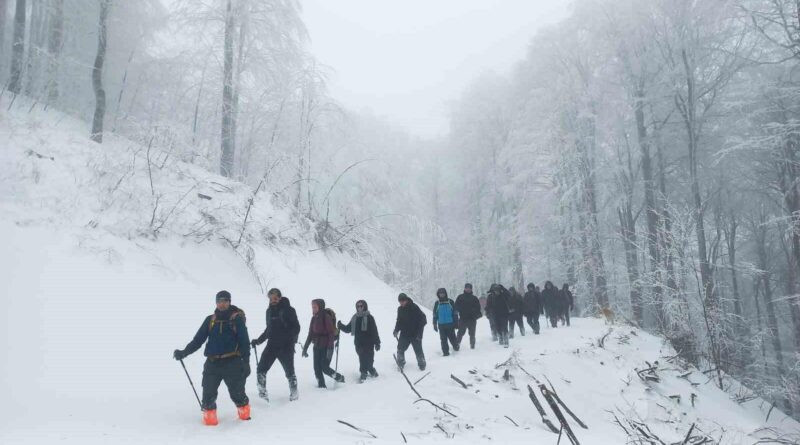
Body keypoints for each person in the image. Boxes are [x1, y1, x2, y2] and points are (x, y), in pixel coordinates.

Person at [173, 290, 251, 426]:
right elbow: (198, 340)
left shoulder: (236, 319)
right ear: (216, 302)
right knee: (208, 396)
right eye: (219, 301)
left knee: (237, 394)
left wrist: (246, 362)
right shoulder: (210, 320)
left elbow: (244, 342)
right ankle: (209, 427)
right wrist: (184, 352)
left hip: (233, 362)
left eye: (225, 301)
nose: (222, 304)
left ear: (229, 302)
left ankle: (245, 420)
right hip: (212, 363)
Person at [250, 288, 300, 403]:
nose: (273, 300)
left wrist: (288, 337)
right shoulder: (269, 312)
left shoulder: (289, 310)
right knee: (261, 370)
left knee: (290, 372)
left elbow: (297, 327)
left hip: (286, 346)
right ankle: (262, 396)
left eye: (275, 298)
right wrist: (258, 341)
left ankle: (294, 394)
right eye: (271, 298)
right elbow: (269, 329)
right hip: (271, 345)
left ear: (280, 298)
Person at [302, 299, 345, 388]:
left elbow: (331, 333)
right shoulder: (313, 318)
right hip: (316, 346)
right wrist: (305, 348)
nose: (313, 309)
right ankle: (321, 387)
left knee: (325, 368)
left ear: (320, 307)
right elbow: (310, 334)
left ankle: (339, 378)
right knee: (317, 369)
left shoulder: (326, 317)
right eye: (312, 307)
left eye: (315, 307)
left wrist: (330, 349)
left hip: (326, 347)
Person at [338, 300, 381, 383]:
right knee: (362, 358)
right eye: (358, 306)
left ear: (365, 306)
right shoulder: (355, 318)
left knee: (370, 360)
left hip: (369, 343)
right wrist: (340, 325)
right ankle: (363, 373)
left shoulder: (369, 317)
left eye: (361, 306)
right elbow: (348, 329)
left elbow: (374, 331)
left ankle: (372, 370)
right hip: (359, 343)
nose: (359, 308)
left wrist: (377, 343)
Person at [393, 293, 427, 370]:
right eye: (400, 301)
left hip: (415, 333)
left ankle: (422, 364)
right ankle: (401, 363)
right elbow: (399, 321)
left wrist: (419, 333)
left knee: (418, 349)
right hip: (404, 333)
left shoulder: (414, 307)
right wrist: (396, 330)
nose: (401, 303)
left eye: (403, 301)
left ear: (406, 300)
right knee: (400, 348)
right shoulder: (400, 309)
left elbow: (423, 319)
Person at [433, 288, 459, 356]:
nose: (441, 294)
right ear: (438, 294)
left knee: (452, 338)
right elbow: (435, 314)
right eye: (440, 293)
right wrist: (434, 323)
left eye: (443, 293)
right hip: (441, 325)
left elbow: (455, 313)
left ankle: (456, 347)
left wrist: (456, 323)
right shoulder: (437, 303)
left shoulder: (450, 302)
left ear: (445, 293)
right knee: (443, 340)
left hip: (450, 324)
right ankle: (445, 353)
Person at [455, 283, 482, 349]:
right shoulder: (460, 297)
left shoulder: (474, 298)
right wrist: (457, 312)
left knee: (472, 334)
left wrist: (475, 316)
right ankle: (457, 345)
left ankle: (472, 346)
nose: (468, 289)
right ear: (464, 288)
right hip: (462, 319)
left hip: (472, 319)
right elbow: (456, 306)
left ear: (471, 289)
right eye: (466, 288)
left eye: (469, 288)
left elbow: (478, 308)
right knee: (460, 333)